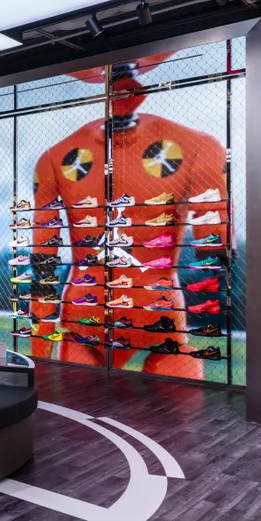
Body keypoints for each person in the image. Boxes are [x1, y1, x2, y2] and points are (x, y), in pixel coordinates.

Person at [28, 53, 229, 378]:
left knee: (84, 397)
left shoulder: (54, 156)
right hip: (144, 306)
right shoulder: (198, 145)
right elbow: (214, 245)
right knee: (177, 407)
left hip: (92, 309)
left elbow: (43, 263)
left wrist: (39, 358)